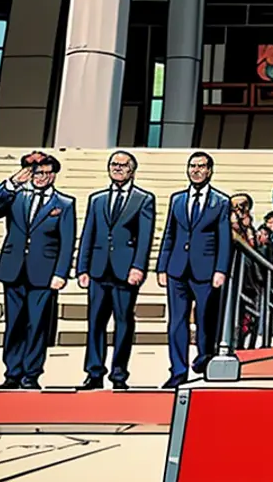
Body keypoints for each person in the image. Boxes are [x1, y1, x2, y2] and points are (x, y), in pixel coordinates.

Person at [0, 151, 76, 389]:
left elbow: (67, 241)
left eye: (46, 172)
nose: (41, 177)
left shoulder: (64, 203)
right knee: (14, 324)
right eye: (36, 172)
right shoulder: (16, 196)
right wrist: (12, 183)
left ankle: (31, 374)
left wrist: (61, 273)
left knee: (37, 324)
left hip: (44, 272)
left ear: (54, 174)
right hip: (14, 269)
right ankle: (12, 373)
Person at [75, 151, 156, 390]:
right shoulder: (97, 199)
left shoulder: (143, 199)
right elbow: (88, 233)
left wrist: (138, 267)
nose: (117, 168)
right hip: (98, 270)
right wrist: (83, 267)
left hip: (125, 271)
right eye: (114, 164)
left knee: (123, 322)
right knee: (95, 323)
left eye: (123, 165)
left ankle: (119, 374)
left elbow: (145, 238)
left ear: (132, 170)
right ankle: (94, 373)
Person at [156, 151, 231, 388]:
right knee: (177, 321)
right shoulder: (177, 199)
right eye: (192, 166)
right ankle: (178, 370)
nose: (196, 170)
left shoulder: (220, 202)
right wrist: (162, 266)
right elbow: (170, 233)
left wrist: (221, 269)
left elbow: (224, 239)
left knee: (205, 319)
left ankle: (204, 358)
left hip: (206, 269)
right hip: (177, 268)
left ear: (209, 171)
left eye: (201, 166)